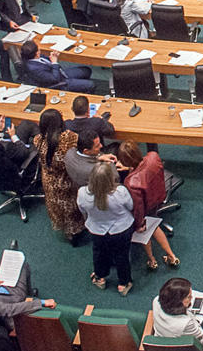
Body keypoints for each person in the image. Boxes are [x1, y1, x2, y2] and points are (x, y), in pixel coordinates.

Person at [117, 140, 180, 270]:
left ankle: (152, 260)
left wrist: (139, 224)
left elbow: (139, 207)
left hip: (147, 206)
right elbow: (143, 169)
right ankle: (172, 256)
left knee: (146, 230)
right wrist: (130, 168)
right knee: (155, 227)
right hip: (159, 196)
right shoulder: (153, 156)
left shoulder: (131, 182)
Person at [78, 162, 135, 296]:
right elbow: (131, 206)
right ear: (111, 178)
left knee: (99, 252)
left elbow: (82, 210)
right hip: (121, 230)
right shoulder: (120, 192)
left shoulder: (82, 193)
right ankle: (124, 283)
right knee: (122, 255)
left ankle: (100, 277)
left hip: (97, 230)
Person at [34, 109, 85, 245]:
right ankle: (76, 232)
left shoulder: (38, 139)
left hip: (49, 180)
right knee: (72, 208)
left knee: (58, 207)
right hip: (66, 181)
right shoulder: (69, 138)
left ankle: (68, 232)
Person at [21, 40, 95, 93]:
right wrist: (54, 62)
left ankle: (80, 86)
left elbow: (45, 60)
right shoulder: (34, 69)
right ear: (37, 53)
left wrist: (52, 56)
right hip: (59, 82)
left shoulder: (34, 58)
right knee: (91, 85)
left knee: (86, 70)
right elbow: (55, 79)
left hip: (61, 73)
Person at [152, 277, 203, 344]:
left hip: (161, 336)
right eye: (188, 296)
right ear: (178, 301)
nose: (192, 297)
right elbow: (199, 334)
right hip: (182, 348)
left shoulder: (156, 301)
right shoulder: (186, 323)